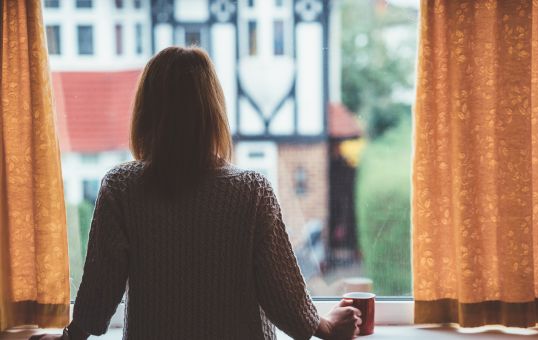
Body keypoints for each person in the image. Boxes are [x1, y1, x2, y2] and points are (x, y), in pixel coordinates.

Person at [30, 47, 361, 340]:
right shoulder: (251, 191)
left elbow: (100, 292)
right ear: (213, 112)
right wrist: (327, 328)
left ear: (145, 113)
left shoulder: (122, 187)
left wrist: (71, 337)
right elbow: (284, 297)